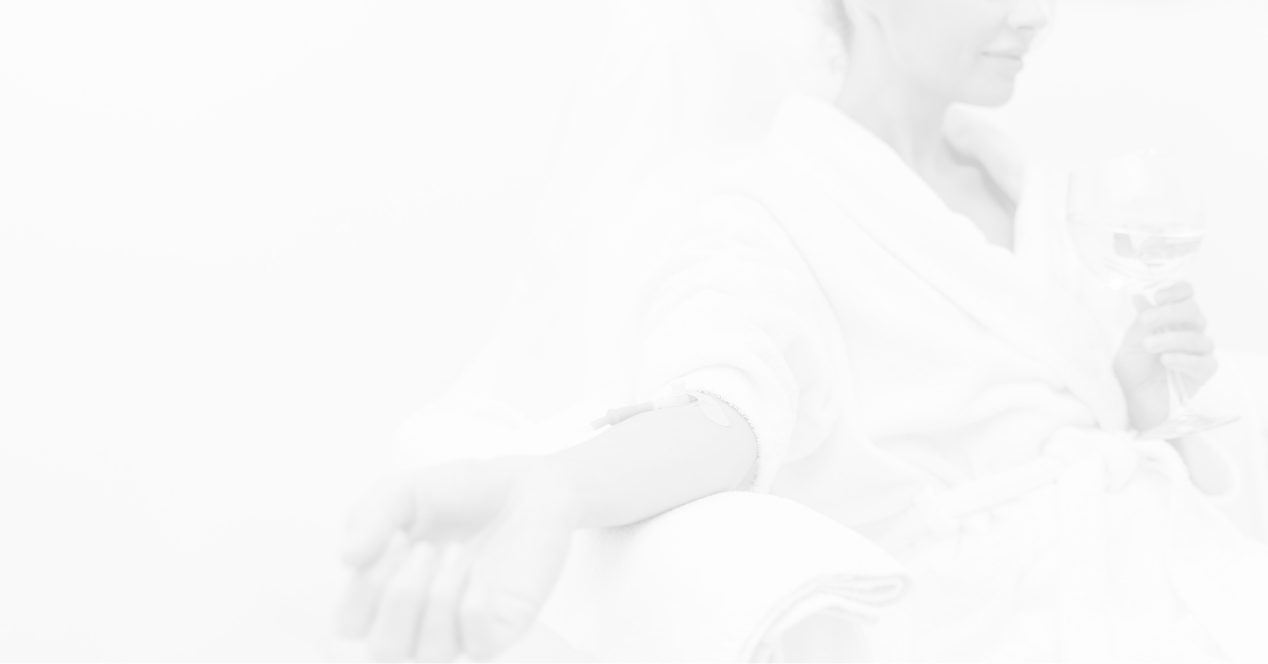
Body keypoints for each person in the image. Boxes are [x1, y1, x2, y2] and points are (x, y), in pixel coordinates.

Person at [336, 0, 1268, 661]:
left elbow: (1074, 415)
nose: (1037, 15)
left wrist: (1135, 397)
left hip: (1177, 577)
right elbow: (726, 402)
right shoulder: (767, 212)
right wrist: (557, 484)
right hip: (1009, 625)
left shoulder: (1020, 181)